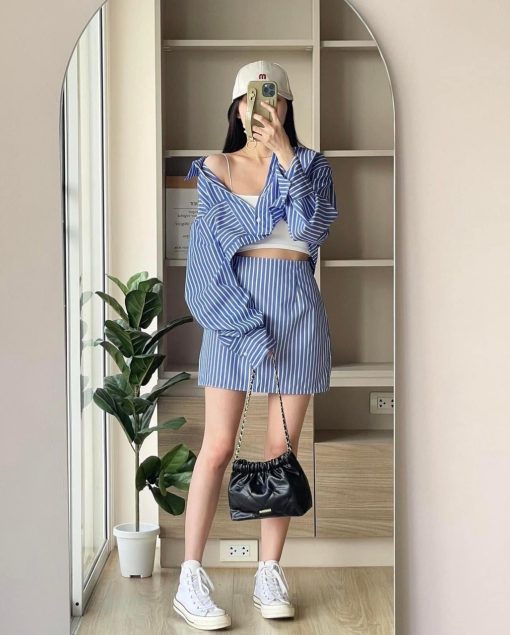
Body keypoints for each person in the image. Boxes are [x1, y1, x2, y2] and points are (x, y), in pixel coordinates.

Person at [173, 60, 339, 631]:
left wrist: (287, 157)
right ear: (237, 108)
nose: (261, 106)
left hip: (297, 317)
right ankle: (190, 577)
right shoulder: (216, 167)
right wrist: (245, 330)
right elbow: (205, 268)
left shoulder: (312, 166)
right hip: (233, 320)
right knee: (217, 446)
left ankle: (269, 571)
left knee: (278, 454)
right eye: (251, 97)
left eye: (273, 96)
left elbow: (313, 231)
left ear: (287, 105)